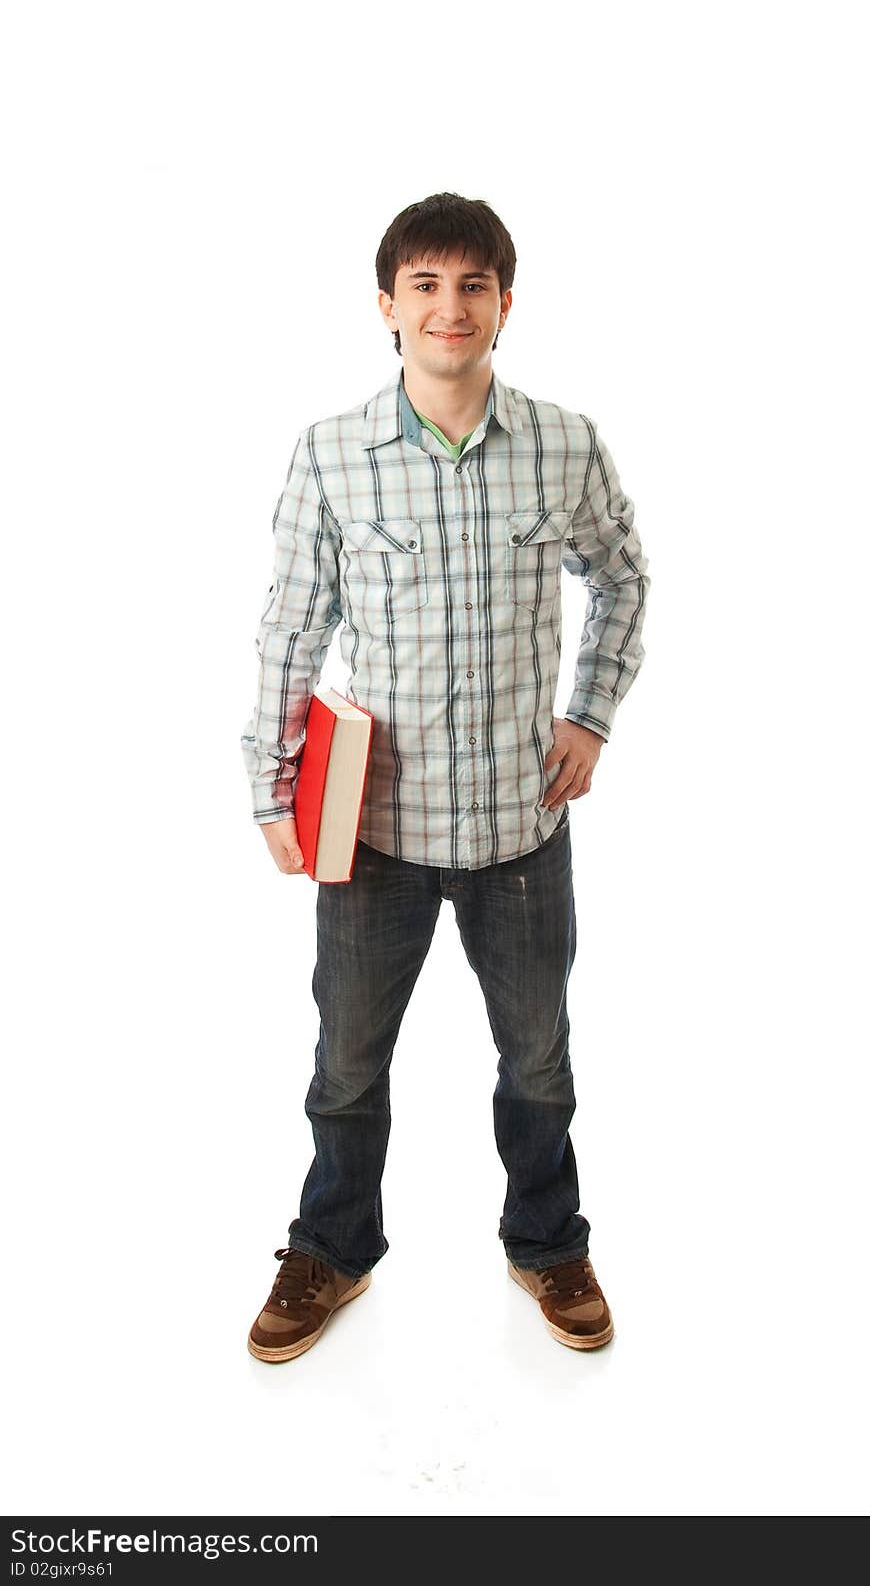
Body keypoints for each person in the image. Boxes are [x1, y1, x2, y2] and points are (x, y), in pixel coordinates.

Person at [240, 192, 650, 1363]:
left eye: (472, 285)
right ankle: (332, 1247)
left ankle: (546, 1239)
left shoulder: (565, 443)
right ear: (387, 307)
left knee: (538, 1057)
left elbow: (624, 579)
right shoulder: (330, 453)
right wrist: (271, 784)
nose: (449, 306)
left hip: (523, 833)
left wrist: (589, 715)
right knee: (346, 1062)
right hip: (375, 832)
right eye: (424, 284)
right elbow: (289, 625)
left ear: (504, 305)